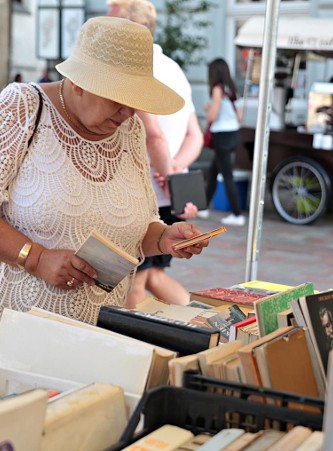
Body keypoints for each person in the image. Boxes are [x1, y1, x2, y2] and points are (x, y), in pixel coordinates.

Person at [0, 17, 210, 350]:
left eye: (135, 100)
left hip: (93, 331)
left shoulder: (131, 131)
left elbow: (139, 230)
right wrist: (36, 258)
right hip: (10, 328)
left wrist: (166, 238)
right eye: (117, 98)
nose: (127, 112)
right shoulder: (23, 106)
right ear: (79, 82)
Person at [108, 0, 204, 308]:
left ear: (134, 27)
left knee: (134, 283)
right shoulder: (174, 69)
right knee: (151, 276)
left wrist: (169, 176)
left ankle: (133, 346)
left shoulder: (138, 68)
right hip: (165, 191)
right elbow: (195, 135)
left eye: (113, 23)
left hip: (146, 192)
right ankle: (202, 323)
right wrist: (176, 170)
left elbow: (153, 135)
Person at [203, 58, 244, 227]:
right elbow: (240, 116)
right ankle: (203, 207)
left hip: (221, 135)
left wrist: (207, 108)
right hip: (233, 134)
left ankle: (237, 214)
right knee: (214, 171)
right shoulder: (233, 89)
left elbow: (212, 116)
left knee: (226, 175)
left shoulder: (217, 90)